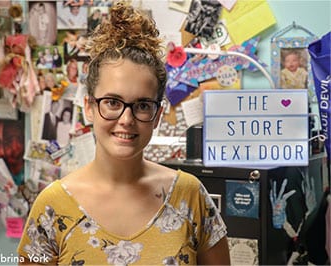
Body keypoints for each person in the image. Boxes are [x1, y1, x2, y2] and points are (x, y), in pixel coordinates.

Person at [17, 2, 230, 265]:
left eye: (142, 105)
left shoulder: (190, 196)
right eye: (113, 103)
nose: (126, 119)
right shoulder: (52, 207)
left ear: (157, 115)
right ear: (89, 107)